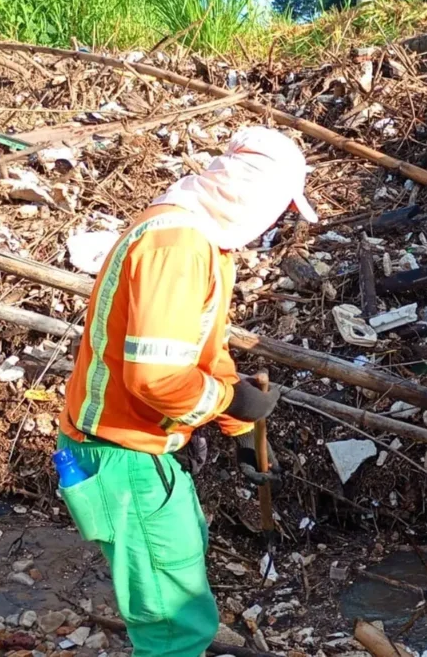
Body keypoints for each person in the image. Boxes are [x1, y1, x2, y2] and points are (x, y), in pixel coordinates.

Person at [56, 127, 316, 656]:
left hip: (135, 450)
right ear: (257, 193)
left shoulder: (196, 238)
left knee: (176, 579)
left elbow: (200, 349)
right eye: (279, 208)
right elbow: (154, 379)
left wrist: (238, 425)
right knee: (173, 623)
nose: (276, 222)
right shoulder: (177, 247)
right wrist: (226, 401)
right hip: (123, 453)